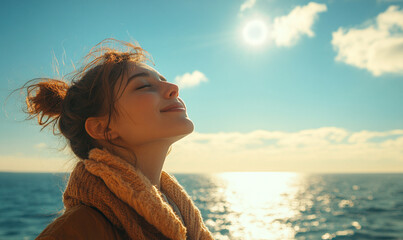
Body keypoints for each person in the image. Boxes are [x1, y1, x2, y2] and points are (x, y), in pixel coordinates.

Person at [12, 38, 214, 239]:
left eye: (163, 80)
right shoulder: (78, 230)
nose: (174, 88)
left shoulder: (185, 220)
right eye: (144, 86)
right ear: (102, 128)